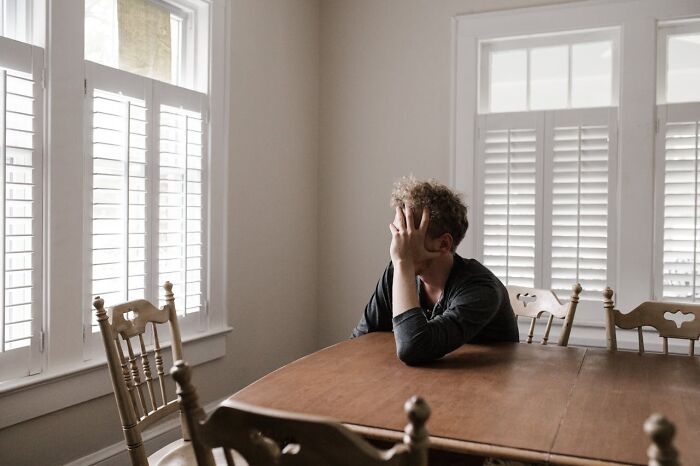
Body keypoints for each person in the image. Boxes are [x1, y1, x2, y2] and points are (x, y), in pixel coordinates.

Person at [352, 176, 519, 365]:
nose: (397, 244)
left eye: (408, 234)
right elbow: (360, 340)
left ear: (444, 244)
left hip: (487, 385)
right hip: (424, 382)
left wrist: (403, 263)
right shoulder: (397, 272)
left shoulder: (481, 289)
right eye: (397, 233)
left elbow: (413, 348)